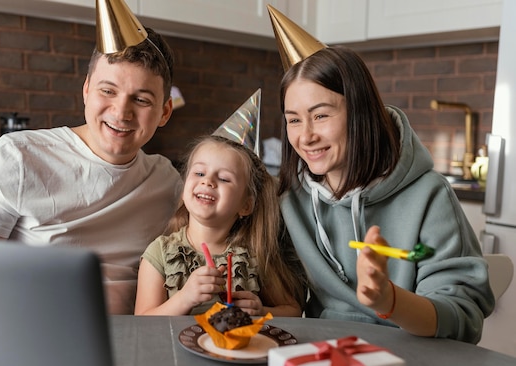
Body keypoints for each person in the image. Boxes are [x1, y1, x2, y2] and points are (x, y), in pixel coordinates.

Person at [272, 31, 494, 342]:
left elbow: (462, 319)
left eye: (320, 115)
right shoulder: (290, 201)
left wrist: (389, 301)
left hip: (414, 361)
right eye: (294, 120)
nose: (306, 136)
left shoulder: (428, 195)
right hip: (322, 356)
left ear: (361, 113)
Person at [0, 24, 181, 315]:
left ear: (165, 112)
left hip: (137, 342)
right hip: (35, 337)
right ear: (86, 90)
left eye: (142, 99)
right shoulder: (16, 158)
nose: (121, 112)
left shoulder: (167, 181)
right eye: (108, 91)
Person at [135, 135, 305, 317]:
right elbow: (143, 322)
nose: (207, 181)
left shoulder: (253, 256)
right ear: (184, 189)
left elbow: (293, 310)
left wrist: (261, 311)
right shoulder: (160, 252)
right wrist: (185, 298)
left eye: (224, 178)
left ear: (246, 205)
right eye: (199, 173)